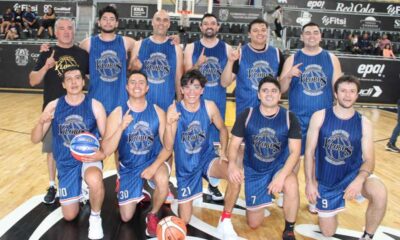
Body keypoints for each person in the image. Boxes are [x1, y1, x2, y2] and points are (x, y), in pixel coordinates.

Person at [304, 75, 387, 240]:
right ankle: (325, 206)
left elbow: (369, 160)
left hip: (352, 175)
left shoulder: (364, 123)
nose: (347, 95)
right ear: (335, 93)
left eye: (352, 91)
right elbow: (309, 152)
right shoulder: (320, 116)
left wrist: (359, 180)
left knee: (380, 193)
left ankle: (368, 236)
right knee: (328, 232)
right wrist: (310, 182)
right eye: (343, 91)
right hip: (327, 180)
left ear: (357, 95)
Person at [31, 66, 107, 240]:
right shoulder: (54, 106)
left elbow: (106, 137)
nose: (74, 82)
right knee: (69, 216)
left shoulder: (95, 105)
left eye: (77, 78)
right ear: (64, 84)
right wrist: (40, 122)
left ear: (83, 81)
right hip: (65, 163)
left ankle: (95, 217)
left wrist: (102, 153)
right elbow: (35, 139)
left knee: (95, 179)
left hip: (88, 158)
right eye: (69, 79)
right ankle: (80, 187)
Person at [164, 70, 240, 239]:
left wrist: (223, 151)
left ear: (202, 90)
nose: (192, 92)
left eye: (196, 87)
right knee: (184, 219)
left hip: (207, 159)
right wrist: (169, 124)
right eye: (187, 87)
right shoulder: (174, 110)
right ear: (182, 90)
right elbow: (168, 146)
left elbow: (222, 128)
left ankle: (225, 221)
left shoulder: (209, 106)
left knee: (236, 176)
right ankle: (193, 193)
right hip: (186, 168)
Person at [227, 76, 301, 240]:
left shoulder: (290, 118)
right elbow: (233, 145)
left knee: (291, 182)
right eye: (265, 90)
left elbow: (295, 152)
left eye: (274, 90)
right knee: (253, 224)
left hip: (278, 167)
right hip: (255, 169)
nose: (269, 94)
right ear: (259, 95)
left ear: (279, 95)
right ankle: (266, 195)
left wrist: (281, 176)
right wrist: (232, 164)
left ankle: (289, 228)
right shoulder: (247, 114)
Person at [280, 22, 341, 212]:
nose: (312, 36)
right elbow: (281, 89)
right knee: (293, 158)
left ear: (321, 36)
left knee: (316, 159)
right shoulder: (293, 58)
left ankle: (314, 195)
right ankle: (286, 192)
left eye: (315, 33)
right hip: (297, 118)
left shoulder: (331, 58)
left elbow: (337, 89)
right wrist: (288, 75)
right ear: (301, 37)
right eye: (308, 33)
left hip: (323, 120)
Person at [101, 71, 171, 237]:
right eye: (133, 82)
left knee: (163, 180)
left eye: (141, 82)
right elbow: (106, 149)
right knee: (126, 217)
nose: (137, 85)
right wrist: (121, 127)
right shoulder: (118, 113)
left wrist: (153, 168)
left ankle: (152, 214)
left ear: (147, 88)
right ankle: (139, 188)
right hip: (129, 166)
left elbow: (168, 147)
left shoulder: (158, 112)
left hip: (151, 161)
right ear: (127, 87)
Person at [29, 18, 89, 205]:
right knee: (53, 151)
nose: (66, 31)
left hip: (77, 111)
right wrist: (46, 65)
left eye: (69, 28)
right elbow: (33, 80)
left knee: (80, 148)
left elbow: (88, 78)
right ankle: (52, 185)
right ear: (55, 32)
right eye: (61, 28)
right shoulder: (47, 52)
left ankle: (82, 185)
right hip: (53, 111)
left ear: (74, 31)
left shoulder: (82, 54)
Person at [183, 13, 232, 201]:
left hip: (217, 102)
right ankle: (194, 181)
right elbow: (186, 75)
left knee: (214, 144)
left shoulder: (226, 48)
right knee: (194, 142)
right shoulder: (191, 47)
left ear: (218, 27)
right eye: (206, 24)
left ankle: (212, 185)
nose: (209, 26)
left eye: (213, 23)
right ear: (201, 27)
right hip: (194, 102)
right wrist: (197, 64)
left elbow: (227, 80)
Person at [221, 18, 284, 117]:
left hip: (270, 111)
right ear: (249, 34)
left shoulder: (277, 53)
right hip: (245, 111)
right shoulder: (239, 53)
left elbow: (282, 86)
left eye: (263, 30)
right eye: (255, 30)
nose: (260, 33)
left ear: (267, 33)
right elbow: (225, 83)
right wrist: (230, 61)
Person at [80, 5, 135, 115]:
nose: (108, 22)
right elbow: (73, 55)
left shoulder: (125, 42)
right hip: (96, 101)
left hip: (119, 102)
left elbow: (142, 45)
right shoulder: (88, 43)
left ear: (117, 23)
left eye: (111, 19)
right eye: (104, 19)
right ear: (99, 22)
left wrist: (132, 59)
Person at [132, 9, 183, 112]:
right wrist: (133, 67)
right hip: (142, 106)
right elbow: (131, 75)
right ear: (152, 22)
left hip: (167, 106)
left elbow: (178, 78)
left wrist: (180, 103)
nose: (161, 23)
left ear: (169, 24)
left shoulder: (176, 48)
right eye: (158, 19)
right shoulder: (139, 45)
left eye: (165, 20)